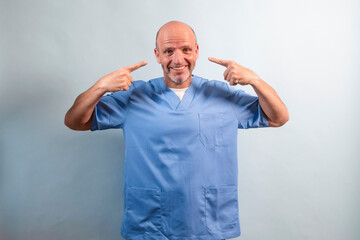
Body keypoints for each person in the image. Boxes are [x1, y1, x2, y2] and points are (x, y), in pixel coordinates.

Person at [64, 21, 289, 240]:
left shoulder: (222, 96)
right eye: (169, 51)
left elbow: (279, 118)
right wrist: (101, 86)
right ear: (157, 55)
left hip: (209, 220)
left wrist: (255, 80)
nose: (178, 59)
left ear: (197, 51)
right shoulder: (134, 96)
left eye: (186, 50)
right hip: (151, 222)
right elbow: (74, 120)